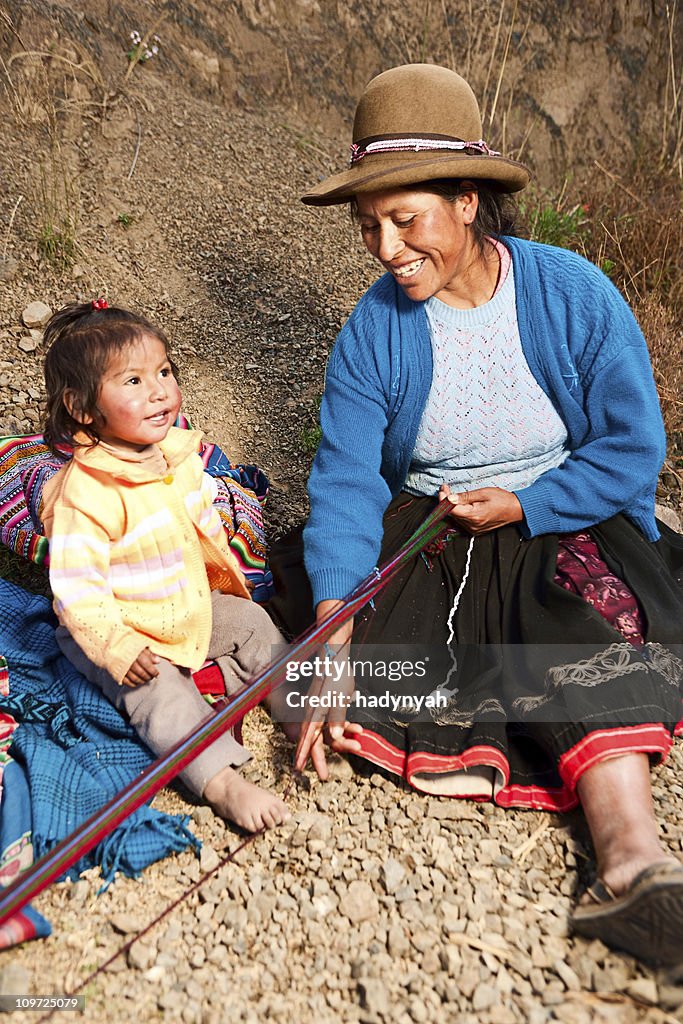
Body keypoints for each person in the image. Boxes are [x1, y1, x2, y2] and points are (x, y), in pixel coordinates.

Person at [268, 63, 683, 963]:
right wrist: (335, 629)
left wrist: (532, 504)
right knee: (339, 670)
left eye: (404, 219)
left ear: (466, 200)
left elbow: (628, 451)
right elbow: (345, 482)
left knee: (581, 624)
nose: (385, 247)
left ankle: (633, 864)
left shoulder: (572, 295)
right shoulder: (372, 331)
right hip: (435, 528)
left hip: (558, 514)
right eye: (368, 225)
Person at [41, 299, 290, 833]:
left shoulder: (176, 453)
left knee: (253, 625)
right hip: (122, 630)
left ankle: (293, 701)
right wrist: (117, 648)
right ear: (83, 408)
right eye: (132, 381)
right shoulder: (85, 494)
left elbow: (201, 528)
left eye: (164, 372)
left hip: (179, 605)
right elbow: (77, 591)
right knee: (157, 693)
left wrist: (224, 579)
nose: (159, 390)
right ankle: (221, 781)